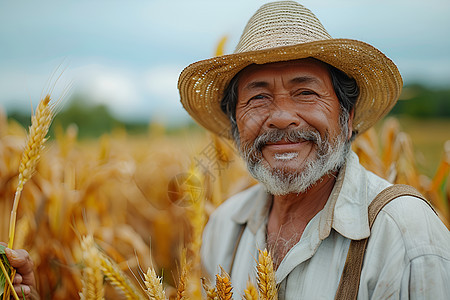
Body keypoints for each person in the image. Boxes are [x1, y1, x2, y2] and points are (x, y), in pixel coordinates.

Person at [177, 1, 450, 299]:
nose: (282, 117)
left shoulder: (403, 233)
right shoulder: (223, 226)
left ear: (347, 119)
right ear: (235, 126)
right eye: (258, 97)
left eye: (305, 93)